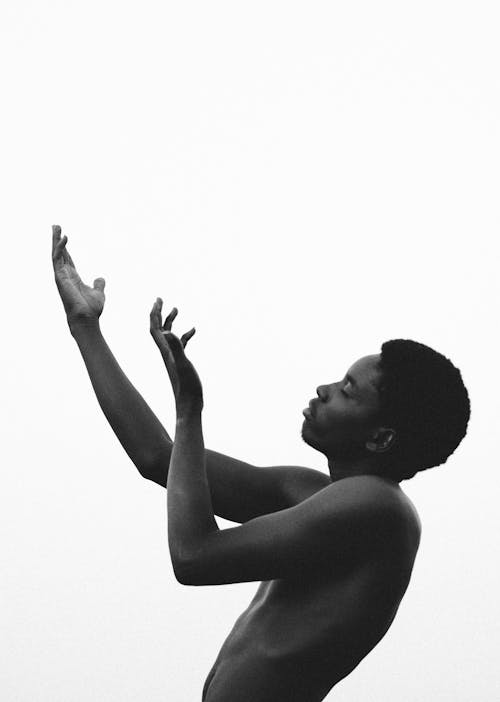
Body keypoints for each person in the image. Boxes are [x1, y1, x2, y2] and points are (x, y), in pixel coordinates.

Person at [51, 225, 471, 702]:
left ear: (381, 437)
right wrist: (84, 325)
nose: (324, 389)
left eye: (348, 390)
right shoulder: (312, 494)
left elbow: (193, 556)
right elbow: (158, 459)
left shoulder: (379, 508)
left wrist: (190, 410)